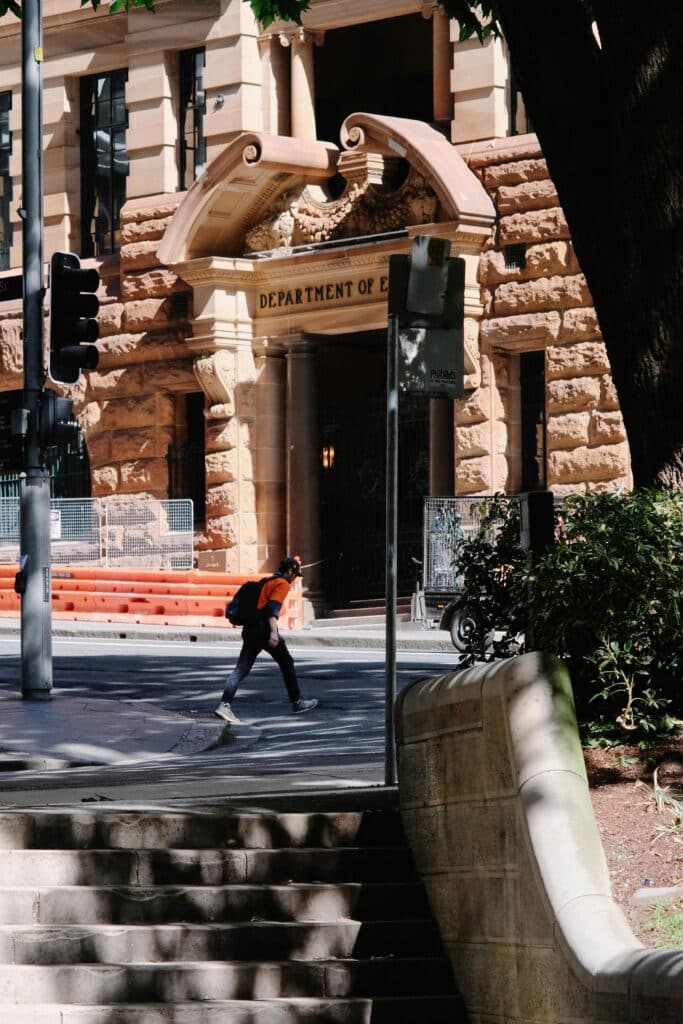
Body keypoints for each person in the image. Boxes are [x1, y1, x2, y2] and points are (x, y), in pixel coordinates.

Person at [214, 556, 318, 724]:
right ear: (289, 571)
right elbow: (272, 609)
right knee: (287, 663)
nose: (294, 580)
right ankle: (297, 702)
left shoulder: (267, 581)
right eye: (295, 575)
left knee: (240, 670)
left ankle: (224, 705)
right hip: (264, 630)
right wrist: (274, 633)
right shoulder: (281, 584)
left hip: (250, 629)